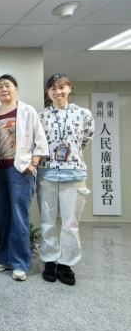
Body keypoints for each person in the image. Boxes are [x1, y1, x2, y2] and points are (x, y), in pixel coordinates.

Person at [0, 75, 49, 282]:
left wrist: (33, 163)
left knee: (19, 216)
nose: (4, 89)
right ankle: (4, 258)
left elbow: (40, 139)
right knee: (2, 217)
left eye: (8, 85)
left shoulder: (27, 111)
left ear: (16, 88)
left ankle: (19, 263)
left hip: (19, 171)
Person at [37, 74, 94, 286]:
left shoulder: (83, 113)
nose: (57, 92)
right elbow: (38, 143)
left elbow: (86, 138)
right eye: (53, 88)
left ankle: (66, 263)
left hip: (74, 174)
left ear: (69, 88)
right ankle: (49, 261)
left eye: (61, 87)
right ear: (48, 92)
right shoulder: (41, 116)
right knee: (47, 221)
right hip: (47, 173)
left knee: (71, 223)